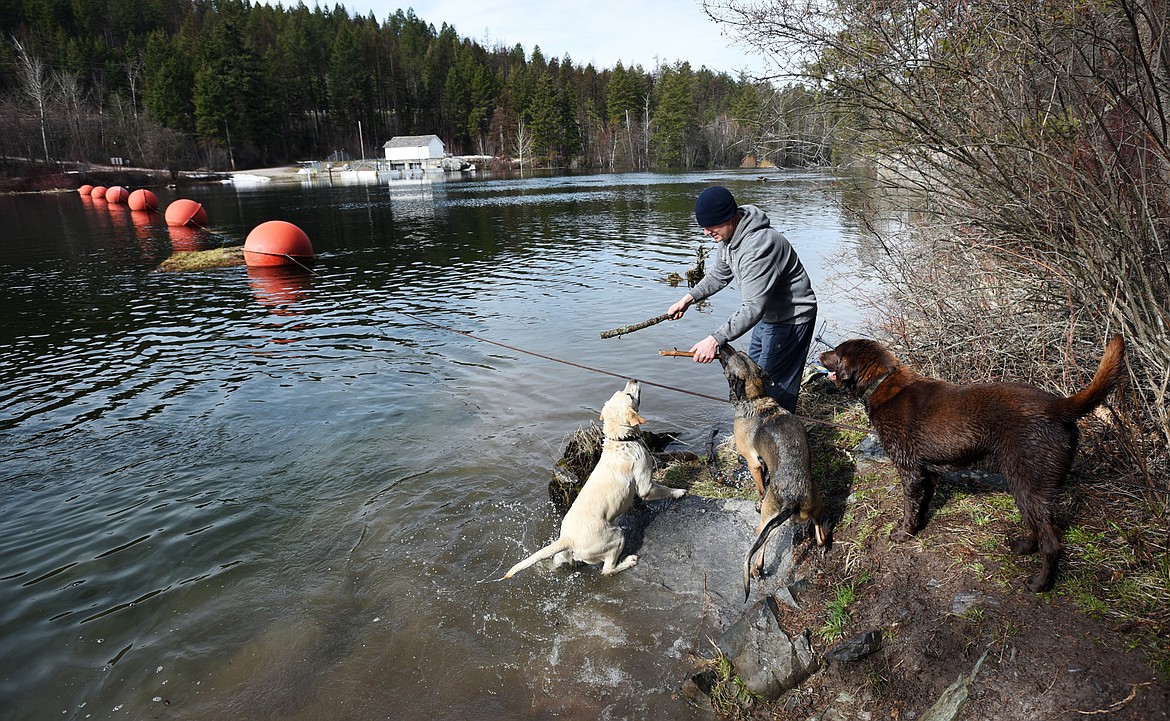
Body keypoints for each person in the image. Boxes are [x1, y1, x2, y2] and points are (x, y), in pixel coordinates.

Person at [667, 185, 818, 412]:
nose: (706, 233)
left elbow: (753, 307)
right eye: (703, 227)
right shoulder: (728, 240)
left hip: (791, 320)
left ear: (729, 217)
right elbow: (719, 275)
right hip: (769, 318)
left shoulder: (758, 247)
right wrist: (688, 299)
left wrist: (714, 340)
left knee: (773, 392)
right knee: (752, 381)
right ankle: (756, 438)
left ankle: (780, 440)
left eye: (710, 226)